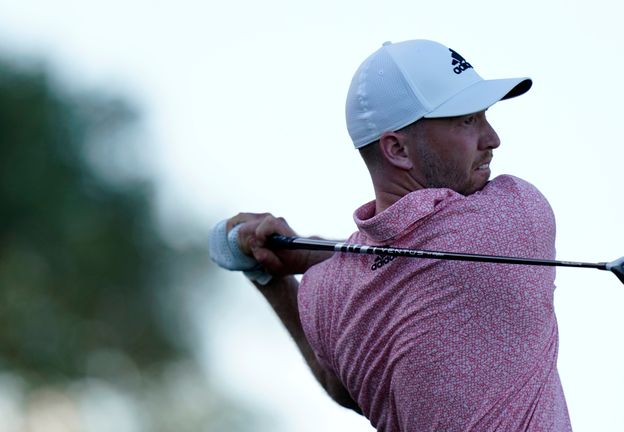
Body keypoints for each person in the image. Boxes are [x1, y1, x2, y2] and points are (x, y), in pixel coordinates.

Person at [209, 39, 571, 431]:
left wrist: (272, 275)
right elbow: (417, 256)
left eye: (483, 116)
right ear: (397, 149)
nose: (492, 138)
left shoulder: (328, 294)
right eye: (467, 121)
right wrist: (316, 257)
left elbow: (341, 384)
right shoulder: (516, 211)